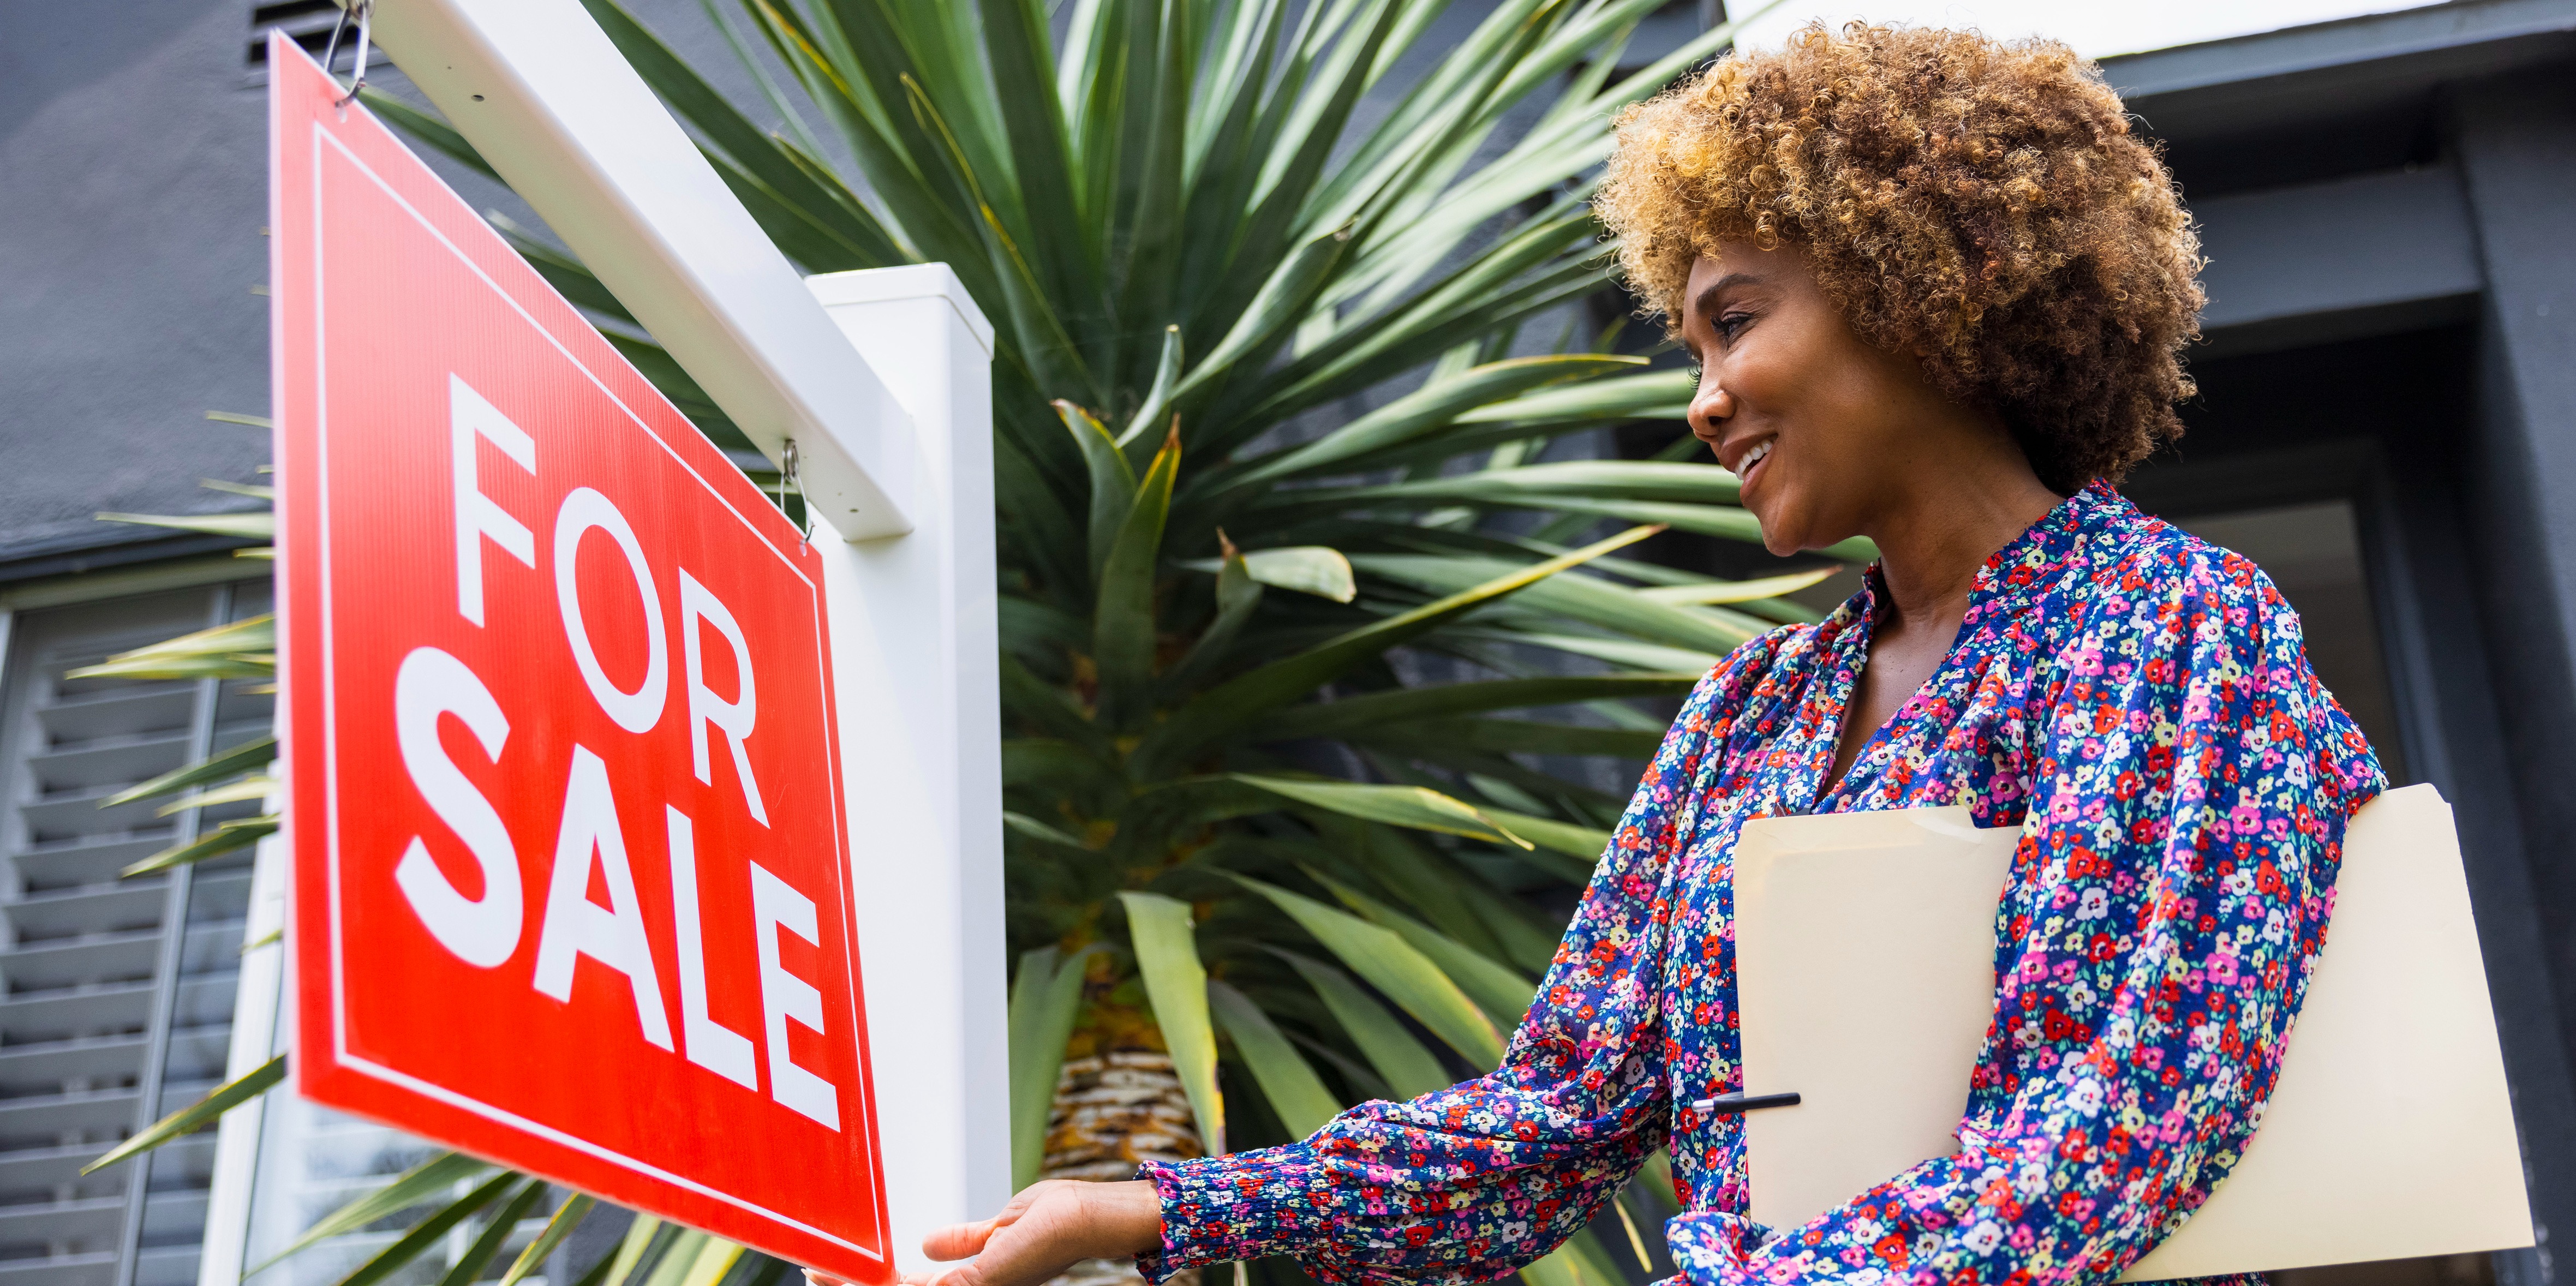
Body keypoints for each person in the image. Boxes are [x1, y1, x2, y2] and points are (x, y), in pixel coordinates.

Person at [859, 23, 2383, 1286]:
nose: (1704, 400)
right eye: (1691, 345)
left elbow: (2117, 1128)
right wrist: (1151, 1212)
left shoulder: (2174, 627)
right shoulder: (1751, 712)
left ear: (1926, 290)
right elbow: (1557, 1118)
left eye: (1733, 322)